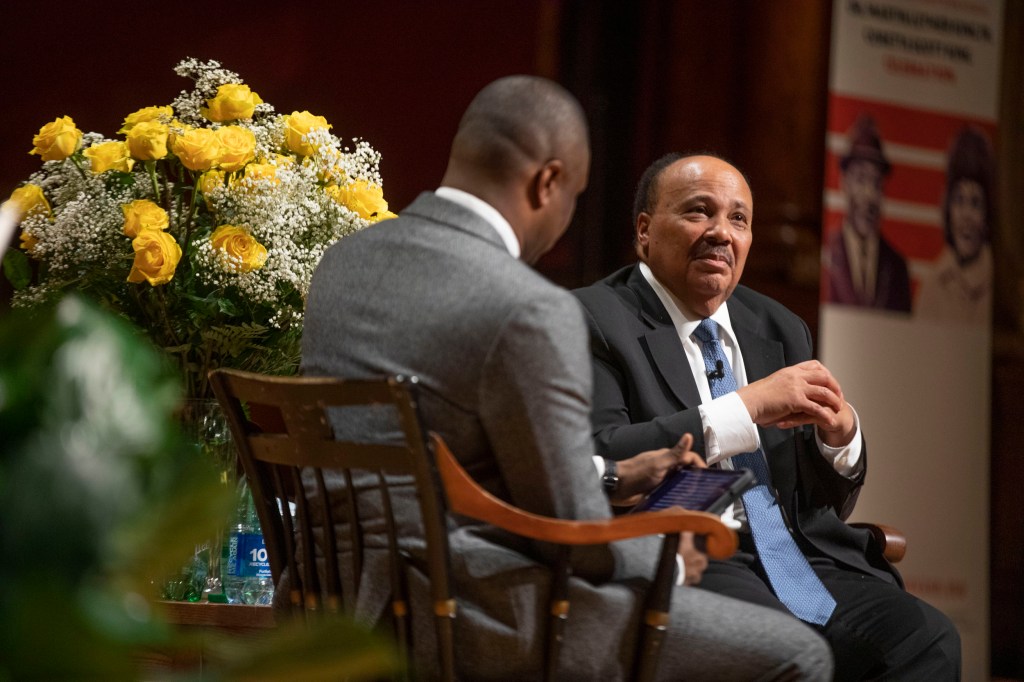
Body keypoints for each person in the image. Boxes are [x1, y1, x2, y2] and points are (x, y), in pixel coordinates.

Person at [301, 78, 833, 680]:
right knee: (799, 655)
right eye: (573, 197)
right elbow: (573, 533)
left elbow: (446, 453)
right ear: (547, 182)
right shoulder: (527, 306)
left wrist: (612, 472)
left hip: (335, 589)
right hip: (466, 609)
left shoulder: (344, 261)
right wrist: (669, 558)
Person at [573, 152, 961, 681]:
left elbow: (818, 504)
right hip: (693, 555)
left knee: (927, 638)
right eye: (697, 212)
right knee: (791, 650)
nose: (720, 233)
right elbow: (603, 455)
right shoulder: (594, 318)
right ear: (644, 231)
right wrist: (747, 406)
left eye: (738, 219)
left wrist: (839, 441)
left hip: (802, 557)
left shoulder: (778, 327)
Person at [824, 114, 912, 312]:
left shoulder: (897, 267)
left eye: (876, 182)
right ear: (844, 183)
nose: (869, 194)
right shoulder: (826, 254)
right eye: (861, 179)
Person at [915, 126, 995, 325]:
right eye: (959, 200)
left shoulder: (1003, 287)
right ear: (948, 208)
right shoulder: (931, 287)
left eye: (975, 203)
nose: (966, 216)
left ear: (987, 214)